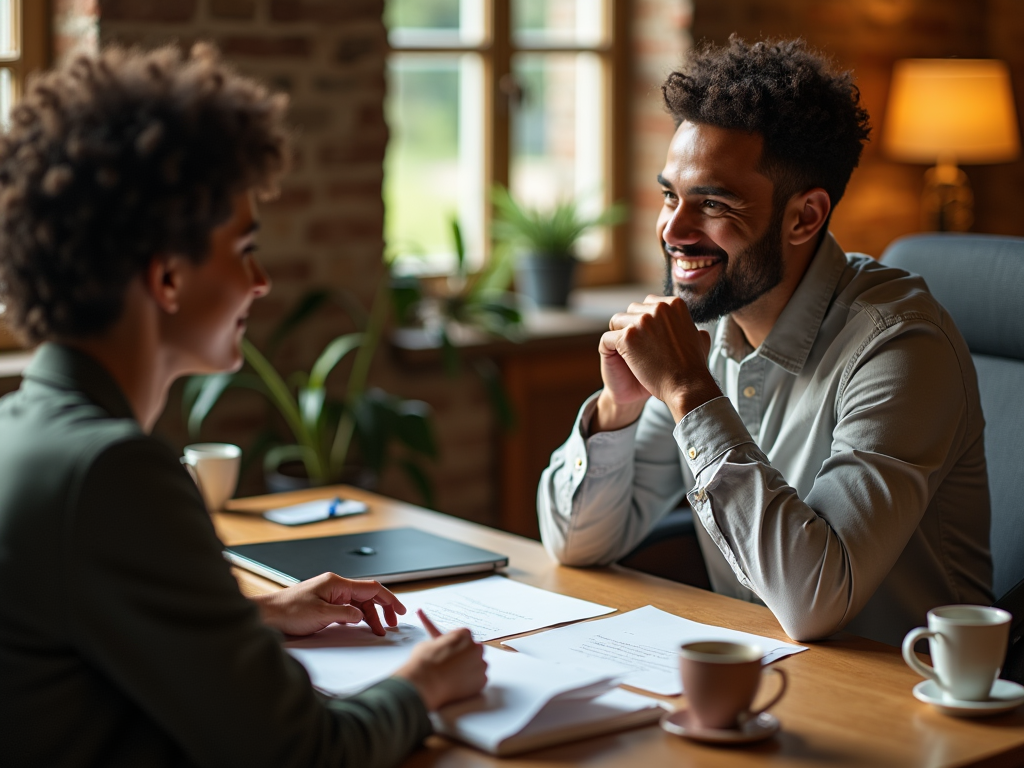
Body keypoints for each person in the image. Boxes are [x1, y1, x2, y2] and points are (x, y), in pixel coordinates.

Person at [0, 44, 486, 768]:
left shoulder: (22, 431)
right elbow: (300, 751)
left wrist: (257, 612)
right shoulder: (114, 472)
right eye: (245, 247)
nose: (259, 282)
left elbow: (75, 620)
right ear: (167, 277)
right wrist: (422, 685)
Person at [537, 37, 992, 647]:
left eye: (713, 203)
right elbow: (575, 542)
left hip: (904, 705)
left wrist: (690, 393)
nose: (672, 230)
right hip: (760, 682)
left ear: (804, 217)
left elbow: (815, 601)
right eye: (671, 195)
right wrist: (619, 410)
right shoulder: (704, 325)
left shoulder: (902, 345)